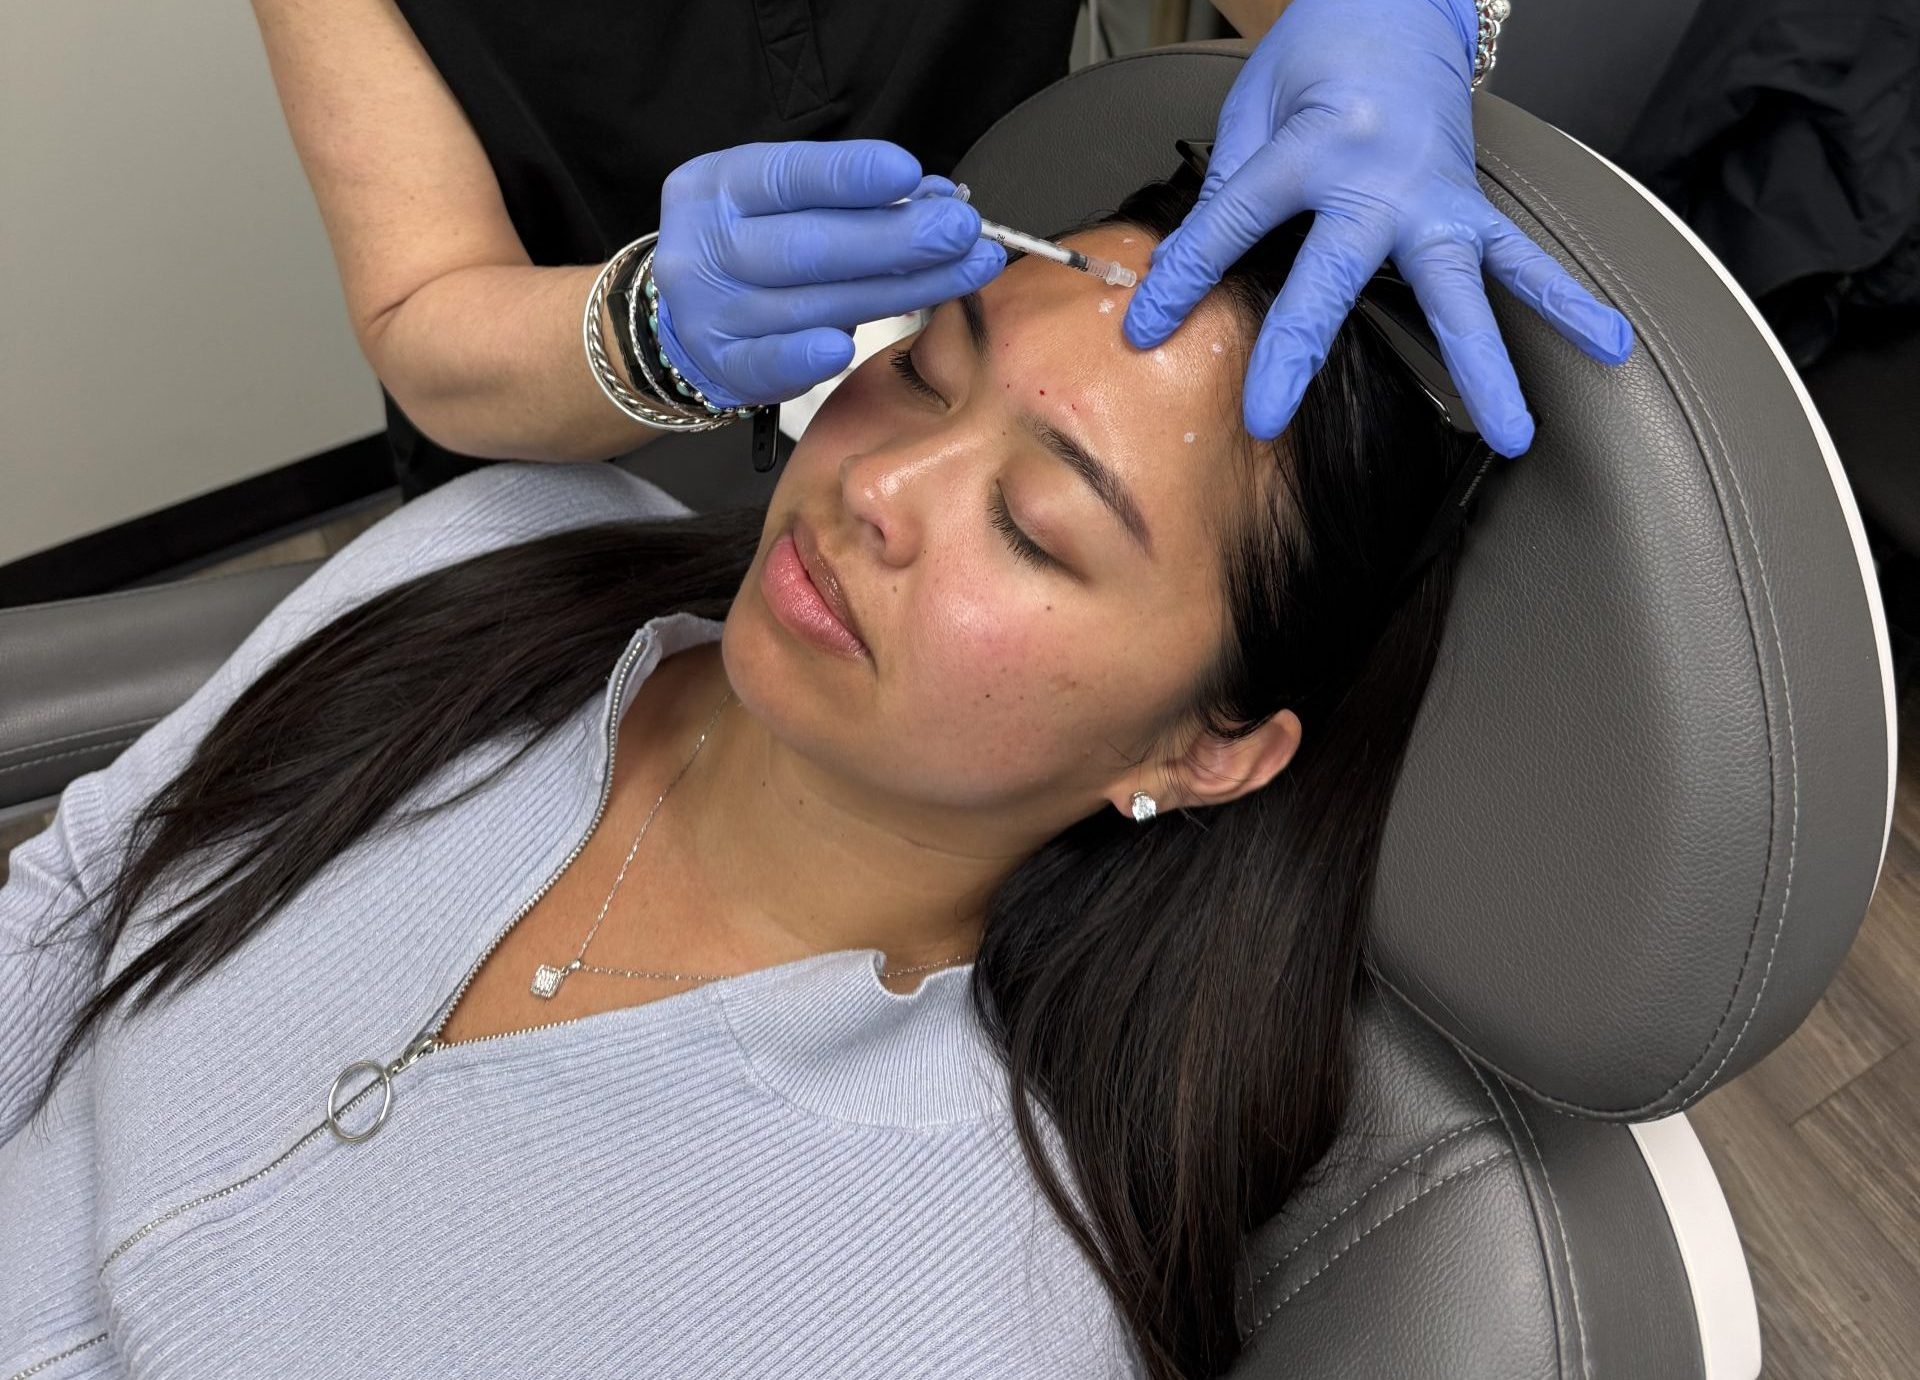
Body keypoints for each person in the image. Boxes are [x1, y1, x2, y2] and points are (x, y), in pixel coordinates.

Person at [5, 162, 1486, 1377]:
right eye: (919, 370)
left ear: (1203, 748)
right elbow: (70, 905)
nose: (871, 486)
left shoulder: (948, 1323)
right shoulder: (499, 551)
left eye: (1035, 526)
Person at [249, 0, 1634, 499]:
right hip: (568, 469)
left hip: (993, 326)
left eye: (1045, 530)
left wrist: (1401, 17)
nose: (878, 509)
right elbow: (430, 313)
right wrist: (644, 332)